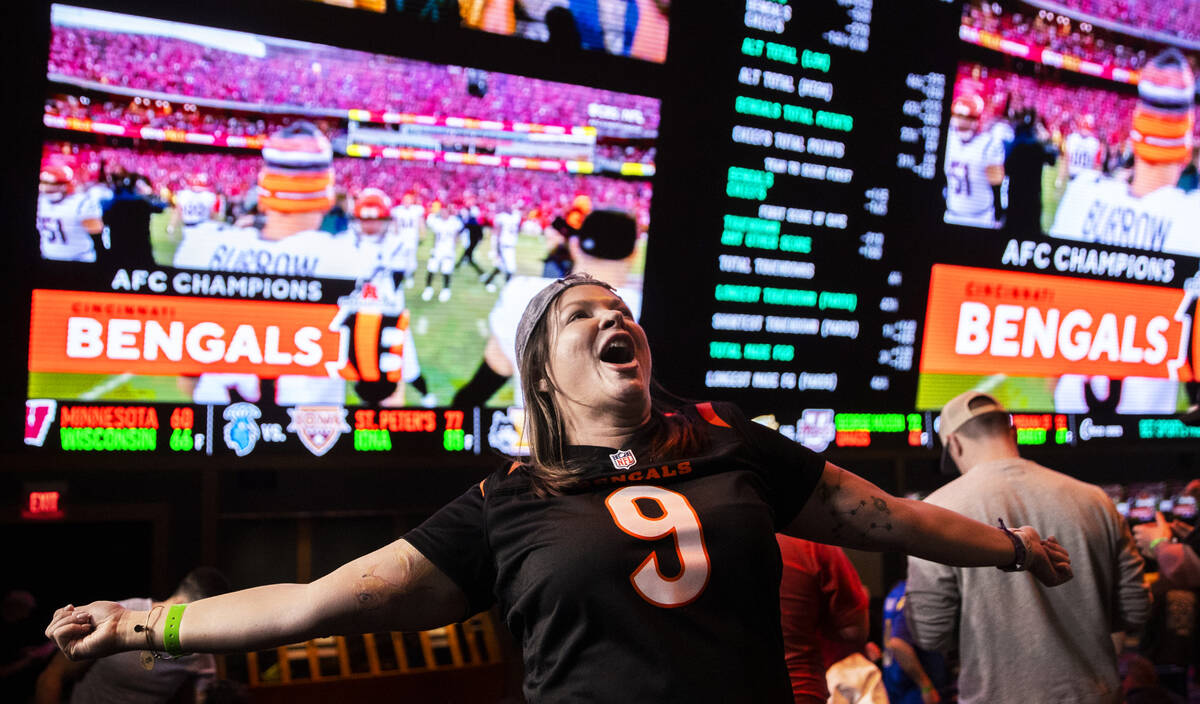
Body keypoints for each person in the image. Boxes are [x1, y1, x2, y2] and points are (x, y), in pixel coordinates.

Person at [45, 273, 1073, 703]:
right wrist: (141, 623)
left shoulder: (737, 451)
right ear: (541, 370)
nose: (611, 317)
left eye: (620, 306)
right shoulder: (506, 501)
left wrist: (1017, 549)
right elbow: (316, 600)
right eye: (583, 313)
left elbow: (890, 516)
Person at [906, 390, 1150, 704]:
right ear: (1013, 432)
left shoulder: (937, 511)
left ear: (953, 443)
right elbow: (1135, 610)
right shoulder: (1096, 500)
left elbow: (930, 633)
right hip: (1096, 695)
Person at [1051, 48, 1200, 416]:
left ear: (1133, 135)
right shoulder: (1191, 218)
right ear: (1186, 148)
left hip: (1068, 428)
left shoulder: (1081, 197)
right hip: (1145, 442)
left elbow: (1050, 339)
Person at [452, 208, 641, 407]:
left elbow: (490, 376)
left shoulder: (521, 294)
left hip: (535, 434)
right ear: (633, 254)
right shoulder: (636, 306)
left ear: (575, 246)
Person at [36, 568, 229, 704]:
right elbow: (52, 676)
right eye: (188, 620)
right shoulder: (117, 615)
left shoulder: (200, 652)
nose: (190, 629)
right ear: (177, 604)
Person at [776, 534, 869, 704]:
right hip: (799, 689)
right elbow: (855, 630)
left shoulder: (713, 542)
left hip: (725, 688)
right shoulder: (809, 542)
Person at [943, 93, 1006, 229]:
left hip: (980, 217)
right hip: (951, 213)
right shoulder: (949, 139)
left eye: (966, 117)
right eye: (958, 116)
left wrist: (998, 214)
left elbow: (997, 183)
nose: (961, 122)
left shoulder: (988, 144)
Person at [881, 579, 946, 704]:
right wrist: (925, 685)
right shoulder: (915, 595)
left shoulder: (896, 592)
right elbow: (898, 643)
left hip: (894, 687)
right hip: (914, 692)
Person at [35, 164, 104, 263]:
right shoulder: (41, 201)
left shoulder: (80, 202)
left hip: (79, 258)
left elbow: (96, 228)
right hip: (48, 257)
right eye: (43, 182)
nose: (45, 187)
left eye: (49, 183)